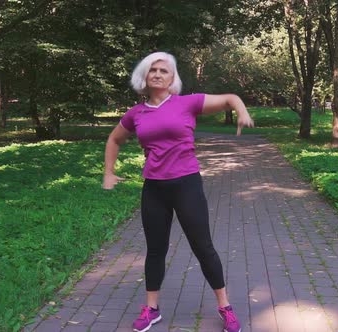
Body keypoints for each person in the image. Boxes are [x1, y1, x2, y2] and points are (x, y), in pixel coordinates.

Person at [102, 51, 254, 332]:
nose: (158, 74)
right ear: (145, 76)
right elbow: (114, 139)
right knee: (155, 250)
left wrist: (242, 111)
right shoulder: (136, 114)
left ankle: (225, 307)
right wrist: (108, 172)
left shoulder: (188, 103)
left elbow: (230, 98)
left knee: (203, 247)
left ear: (173, 79)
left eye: (164, 71)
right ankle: (152, 308)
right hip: (154, 189)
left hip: (186, 185)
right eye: (153, 70)